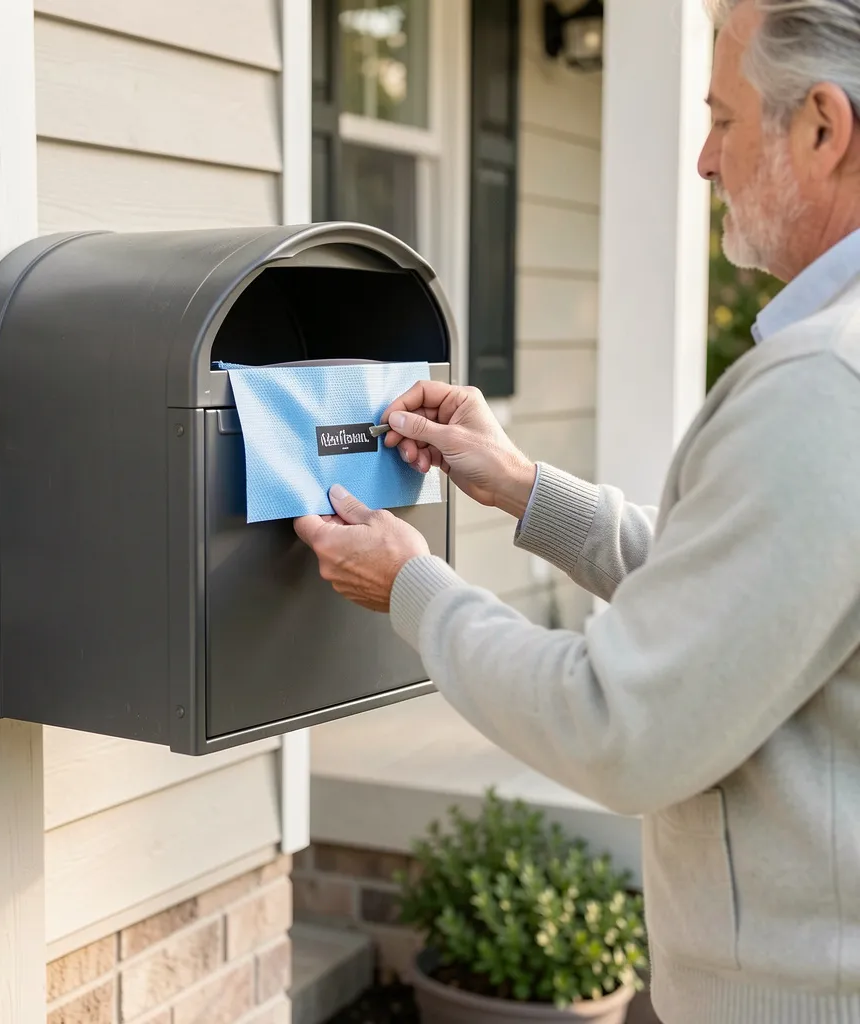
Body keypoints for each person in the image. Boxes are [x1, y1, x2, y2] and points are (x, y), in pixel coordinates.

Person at [293, 2, 860, 1022]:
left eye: (724, 119)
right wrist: (520, 484)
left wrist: (413, 588)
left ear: (823, 128)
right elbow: (743, 599)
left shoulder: (826, 381)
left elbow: (618, 724)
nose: (701, 159)